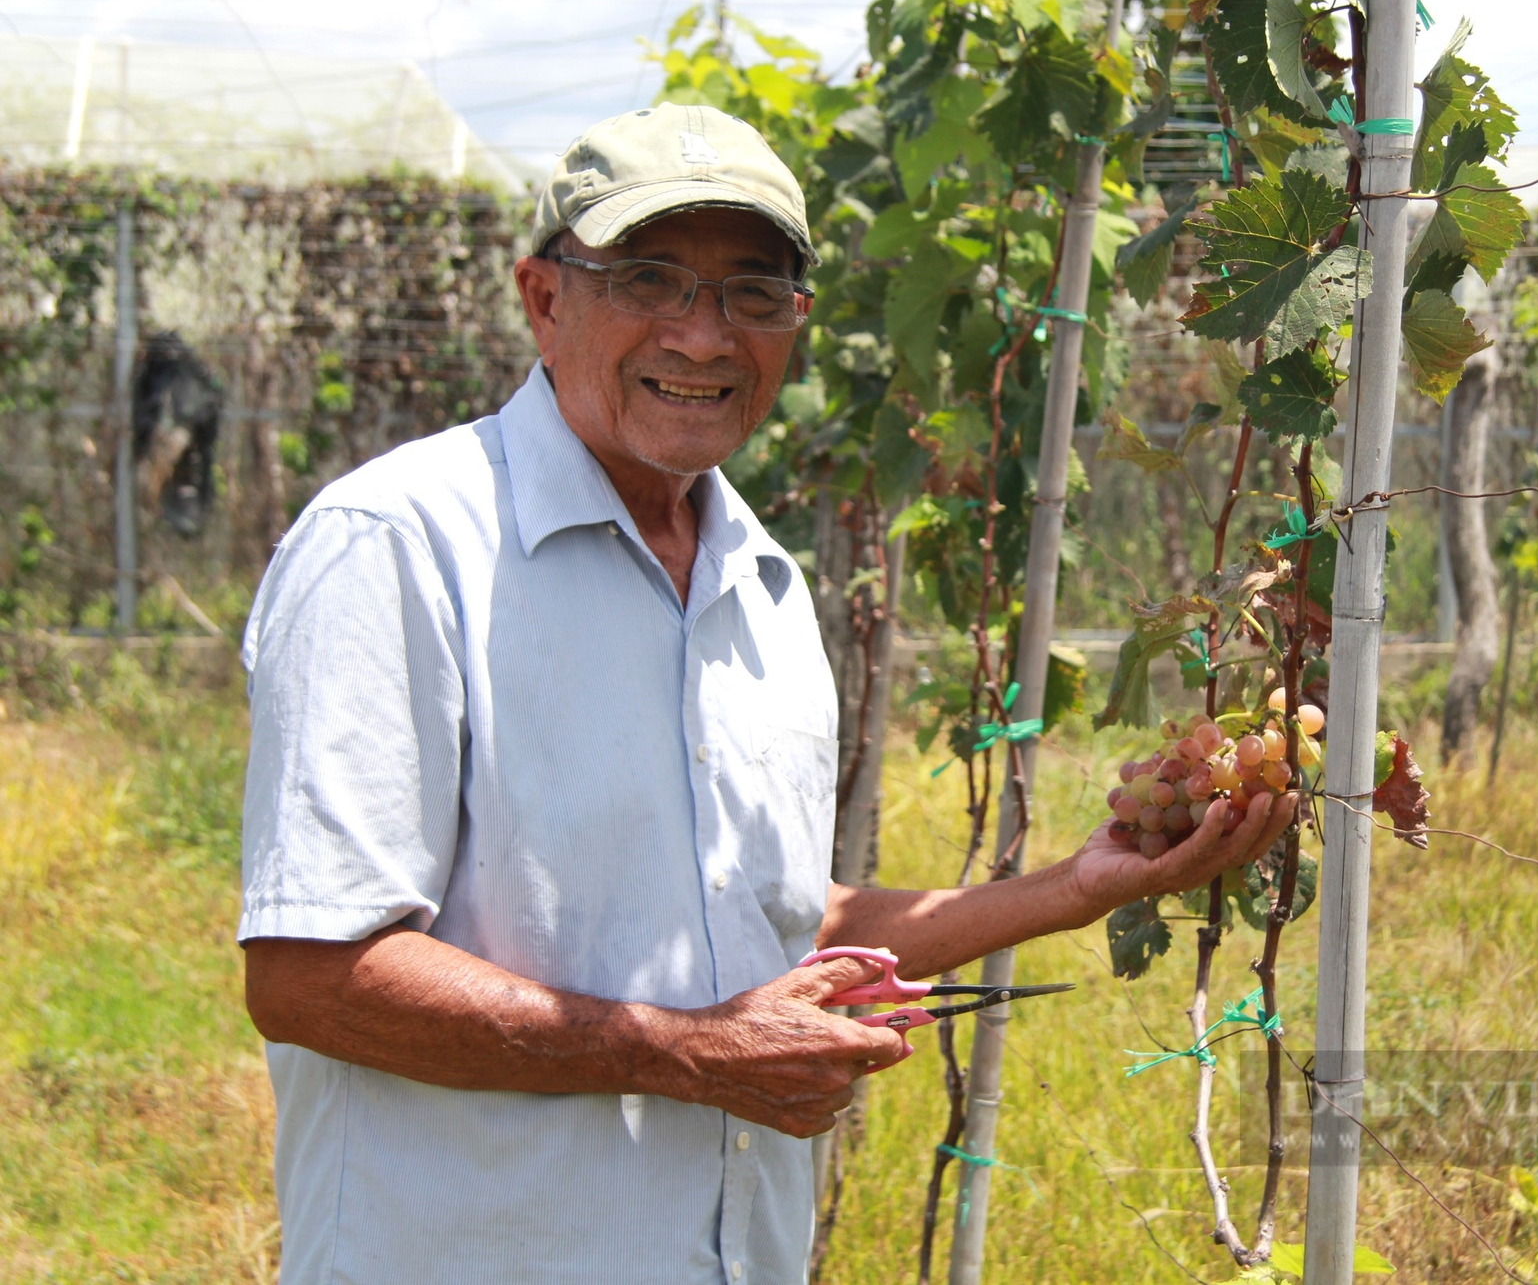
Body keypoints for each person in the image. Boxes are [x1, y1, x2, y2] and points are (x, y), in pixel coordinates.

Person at [237, 103, 1294, 1285]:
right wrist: (688, 1050)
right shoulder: (397, 544)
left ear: (794, 323)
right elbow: (311, 975)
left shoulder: (762, 585)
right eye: (651, 279)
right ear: (544, 299)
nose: (703, 336)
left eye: (752, 292)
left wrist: (1076, 886)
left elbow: (775, 918)